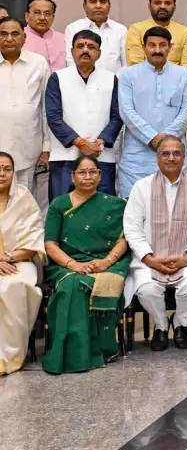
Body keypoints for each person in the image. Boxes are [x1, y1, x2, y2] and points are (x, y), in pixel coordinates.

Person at [122, 136, 187, 351]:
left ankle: (180, 323)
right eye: (165, 153)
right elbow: (132, 228)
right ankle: (162, 325)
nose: (171, 158)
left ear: (184, 158)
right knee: (146, 289)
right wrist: (149, 258)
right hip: (150, 258)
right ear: (157, 158)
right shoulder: (141, 187)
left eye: (177, 153)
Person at [41, 154, 129, 373]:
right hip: (66, 265)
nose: (87, 176)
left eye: (92, 172)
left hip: (105, 263)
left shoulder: (115, 205)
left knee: (91, 283)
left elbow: (124, 240)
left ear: (100, 176)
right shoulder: (58, 205)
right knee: (72, 285)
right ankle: (71, 355)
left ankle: (101, 349)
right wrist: (73, 265)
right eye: (82, 172)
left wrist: (106, 261)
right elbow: (50, 244)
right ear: (73, 175)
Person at [117, 26, 187, 197]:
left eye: (162, 45)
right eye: (152, 45)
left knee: (177, 209)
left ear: (170, 47)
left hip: (174, 154)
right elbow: (127, 111)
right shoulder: (127, 75)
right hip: (137, 157)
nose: (157, 50)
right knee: (134, 210)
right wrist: (151, 137)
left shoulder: (185, 75)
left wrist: (167, 140)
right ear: (144, 48)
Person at [46, 29, 122, 197]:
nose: (85, 50)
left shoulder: (111, 79)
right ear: (72, 51)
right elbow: (53, 117)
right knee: (63, 209)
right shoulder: (58, 78)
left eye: (91, 47)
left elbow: (117, 117)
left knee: (102, 211)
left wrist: (100, 142)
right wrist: (81, 143)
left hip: (101, 155)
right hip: (65, 157)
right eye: (80, 46)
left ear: (99, 53)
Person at [0, 153, 43, 375]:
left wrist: (8, 258)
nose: (2, 173)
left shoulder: (24, 197)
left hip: (18, 261)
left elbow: (36, 237)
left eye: (7, 169)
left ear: (13, 173)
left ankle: (10, 356)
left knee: (13, 287)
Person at [0, 16, 50, 191]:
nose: (9, 39)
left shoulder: (38, 63)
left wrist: (46, 147)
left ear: (24, 37)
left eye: (15, 34)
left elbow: (46, 108)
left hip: (28, 148)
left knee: (25, 202)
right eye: (3, 34)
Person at [64, 0, 127, 73]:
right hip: (83, 83)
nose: (98, 6)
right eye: (93, 2)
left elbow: (125, 63)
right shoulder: (73, 28)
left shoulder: (120, 30)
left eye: (103, 2)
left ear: (109, 5)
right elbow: (71, 61)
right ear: (84, 6)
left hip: (114, 83)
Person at [126, 0, 187, 69]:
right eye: (157, 3)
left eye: (167, 3)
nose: (163, 6)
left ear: (174, 7)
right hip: (143, 79)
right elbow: (135, 64)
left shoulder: (186, 32)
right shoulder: (136, 29)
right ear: (149, 6)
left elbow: (186, 66)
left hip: (175, 80)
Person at [24, 0, 65, 71]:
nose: (42, 18)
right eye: (36, 13)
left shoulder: (64, 39)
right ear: (27, 16)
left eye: (47, 13)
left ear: (53, 17)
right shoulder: (18, 38)